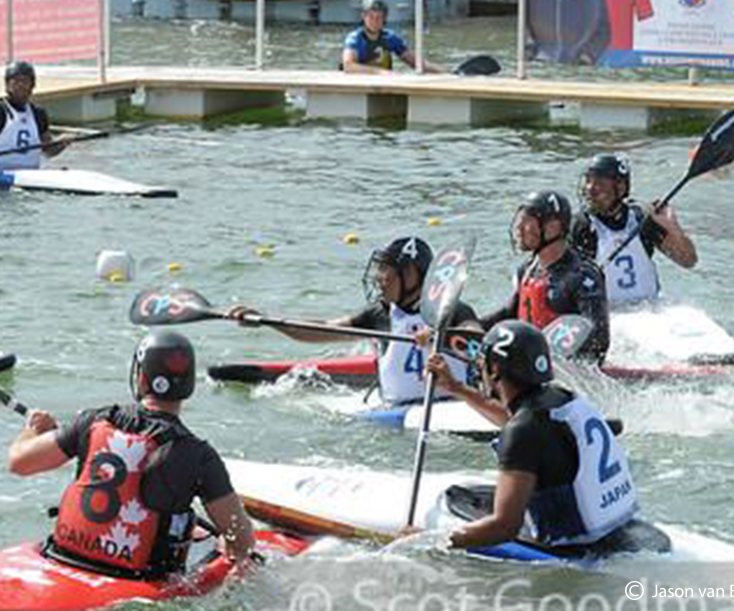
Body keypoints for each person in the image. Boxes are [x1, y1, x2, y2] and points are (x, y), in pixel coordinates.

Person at [6, 332, 255, 579]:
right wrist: (229, 543)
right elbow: (243, 541)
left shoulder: (93, 421)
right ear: (189, 384)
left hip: (64, 559)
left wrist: (33, 429)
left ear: (141, 377)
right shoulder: (200, 456)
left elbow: (19, 462)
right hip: (137, 581)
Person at [422, 321, 643, 553]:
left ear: (495, 369)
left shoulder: (522, 431)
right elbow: (518, 422)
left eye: (482, 362)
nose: (479, 367)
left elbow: (504, 527)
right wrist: (456, 387)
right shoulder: (560, 398)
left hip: (575, 543)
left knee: (458, 499)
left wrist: (430, 541)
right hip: (613, 526)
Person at [228, 237, 478, 406]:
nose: (379, 278)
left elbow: (477, 340)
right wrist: (268, 321)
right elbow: (321, 330)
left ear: (411, 275)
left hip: (452, 407)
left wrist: (441, 336)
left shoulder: (452, 311)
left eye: (386, 270)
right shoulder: (378, 315)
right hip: (396, 411)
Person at [480, 191, 610, 361]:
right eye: (520, 220)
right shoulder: (527, 270)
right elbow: (508, 313)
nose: (519, 228)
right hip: (530, 365)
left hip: (565, 372)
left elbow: (599, 338)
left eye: (527, 222)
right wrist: (471, 327)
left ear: (552, 227)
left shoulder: (581, 277)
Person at [568, 154, 697, 307]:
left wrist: (672, 227)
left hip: (651, 309)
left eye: (600, 183)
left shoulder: (641, 218)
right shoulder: (581, 226)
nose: (590, 188)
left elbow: (688, 260)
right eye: (588, 180)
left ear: (621, 187)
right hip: (609, 314)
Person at [341, 0, 441, 74]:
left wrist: (442, 73)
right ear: (364, 17)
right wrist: (381, 72)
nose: (374, 21)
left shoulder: (390, 38)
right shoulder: (355, 38)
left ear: (384, 19)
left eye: (379, 17)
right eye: (371, 17)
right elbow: (348, 66)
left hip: (384, 83)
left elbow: (414, 62)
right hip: (360, 85)